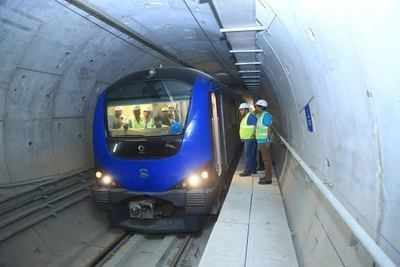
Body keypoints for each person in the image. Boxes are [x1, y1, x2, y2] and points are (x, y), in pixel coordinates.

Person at [254, 99, 273, 184]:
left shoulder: (266, 115)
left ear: (261, 107)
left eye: (257, 106)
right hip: (261, 141)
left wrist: (268, 140)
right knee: (265, 160)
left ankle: (268, 179)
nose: (256, 108)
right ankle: (266, 176)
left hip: (264, 141)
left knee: (266, 160)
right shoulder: (261, 115)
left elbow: (269, 128)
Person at [238, 102, 258, 177]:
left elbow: (256, 125)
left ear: (246, 110)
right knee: (251, 155)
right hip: (248, 139)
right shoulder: (246, 117)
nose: (240, 112)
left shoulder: (250, 117)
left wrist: (253, 135)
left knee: (248, 155)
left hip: (250, 139)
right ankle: (253, 169)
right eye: (240, 110)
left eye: (242, 110)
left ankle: (247, 171)